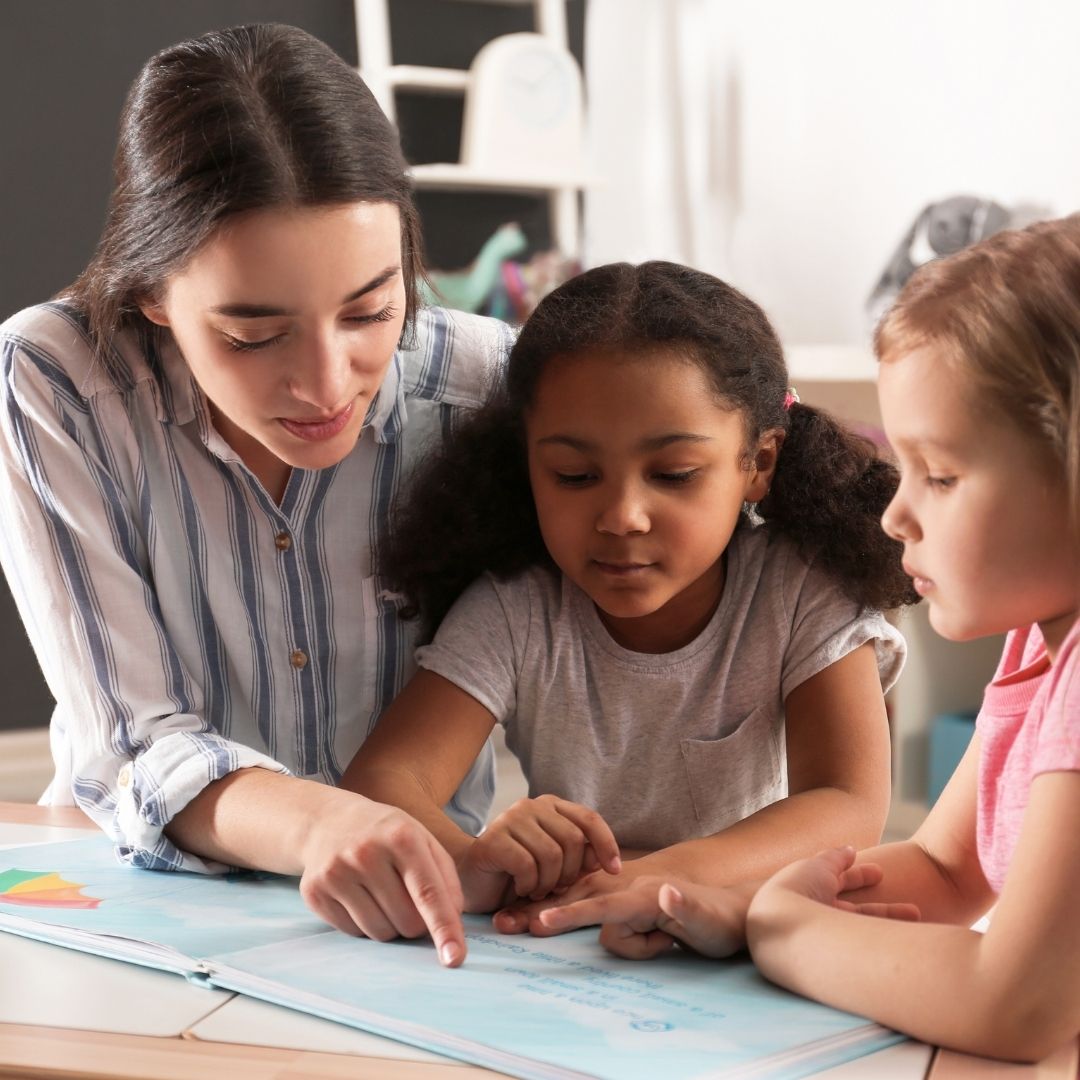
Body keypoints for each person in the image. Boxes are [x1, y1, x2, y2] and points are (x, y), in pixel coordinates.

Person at [0, 24, 517, 967]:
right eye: (253, 335)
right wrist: (324, 825)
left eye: (370, 310)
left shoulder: (487, 387)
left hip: (426, 918)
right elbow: (133, 741)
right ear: (153, 293)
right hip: (134, 906)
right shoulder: (57, 378)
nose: (326, 384)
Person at [546, 218, 1080, 1062]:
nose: (897, 514)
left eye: (939, 476)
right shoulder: (1044, 648)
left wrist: (783, 927)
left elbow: (1014, 1004)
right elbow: (945, 872)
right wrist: (728, 900)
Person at [344, 260, 917, 941]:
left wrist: (661, 876)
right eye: (575, 475)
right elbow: (385, 778)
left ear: (758, 463)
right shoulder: (517, 609)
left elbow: (846, 802)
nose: (622, 516)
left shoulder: (801, 591)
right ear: (527, 467)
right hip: (580, 941)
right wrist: (475, 859)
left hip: (756, 929)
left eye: (673, 474)